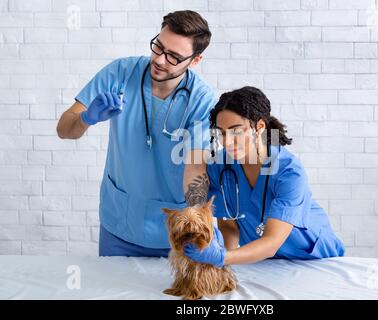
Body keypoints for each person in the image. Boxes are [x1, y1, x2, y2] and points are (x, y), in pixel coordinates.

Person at [56, 11, 215, 256]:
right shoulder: (120, 73)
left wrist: (198, 220)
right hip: (118, 224)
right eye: (158, 47)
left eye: (173, 56)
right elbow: (64, 129)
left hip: (174, 235)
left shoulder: (201, 100)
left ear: (195, 61)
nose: (160, 60)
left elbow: (195, 165)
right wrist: (86, 118)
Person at [184, 86, 345, 267]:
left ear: (259, 127)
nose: (227, 142)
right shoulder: (220, 166)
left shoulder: (289, 172)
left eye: (236, 131)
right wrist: (220, 258)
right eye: (221, 133)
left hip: (312, 259)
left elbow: (272, 242)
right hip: (260, 261)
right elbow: (229, 226)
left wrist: (222, 257)